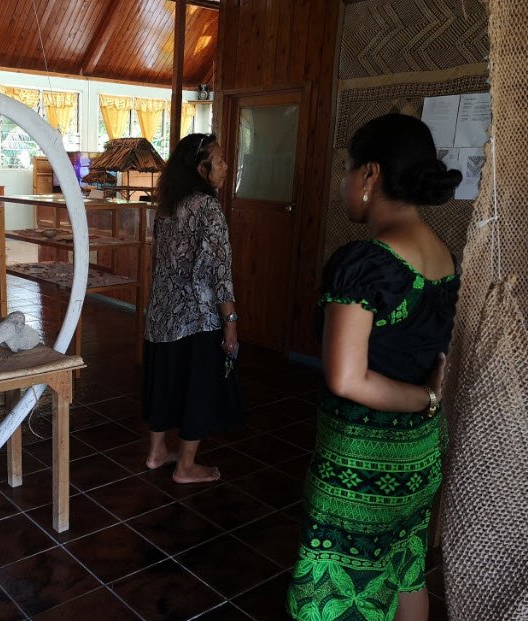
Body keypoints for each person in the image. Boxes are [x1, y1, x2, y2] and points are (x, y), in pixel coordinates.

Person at [286, 114, 462, 621]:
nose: (344, 182)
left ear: (370, 175)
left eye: (347, 169)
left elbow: (346, 377)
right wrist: (428, 404)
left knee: (334, 584)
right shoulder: (443, 256)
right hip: (420, 455)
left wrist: (425, 397)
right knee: (405, 566)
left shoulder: (365, 262)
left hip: (362, 464)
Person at [143, 133, 244, 484]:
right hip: (198, 318)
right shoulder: (208, 208)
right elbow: (220, 269)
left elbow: (158, 262)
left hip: (162, 315)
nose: (225, 167)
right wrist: (230, 321)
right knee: (198, 389)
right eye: (219, 161)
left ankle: (157, 452)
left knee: (164, 384)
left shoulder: (169, 204)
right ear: (201, 169)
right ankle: (185, 467)